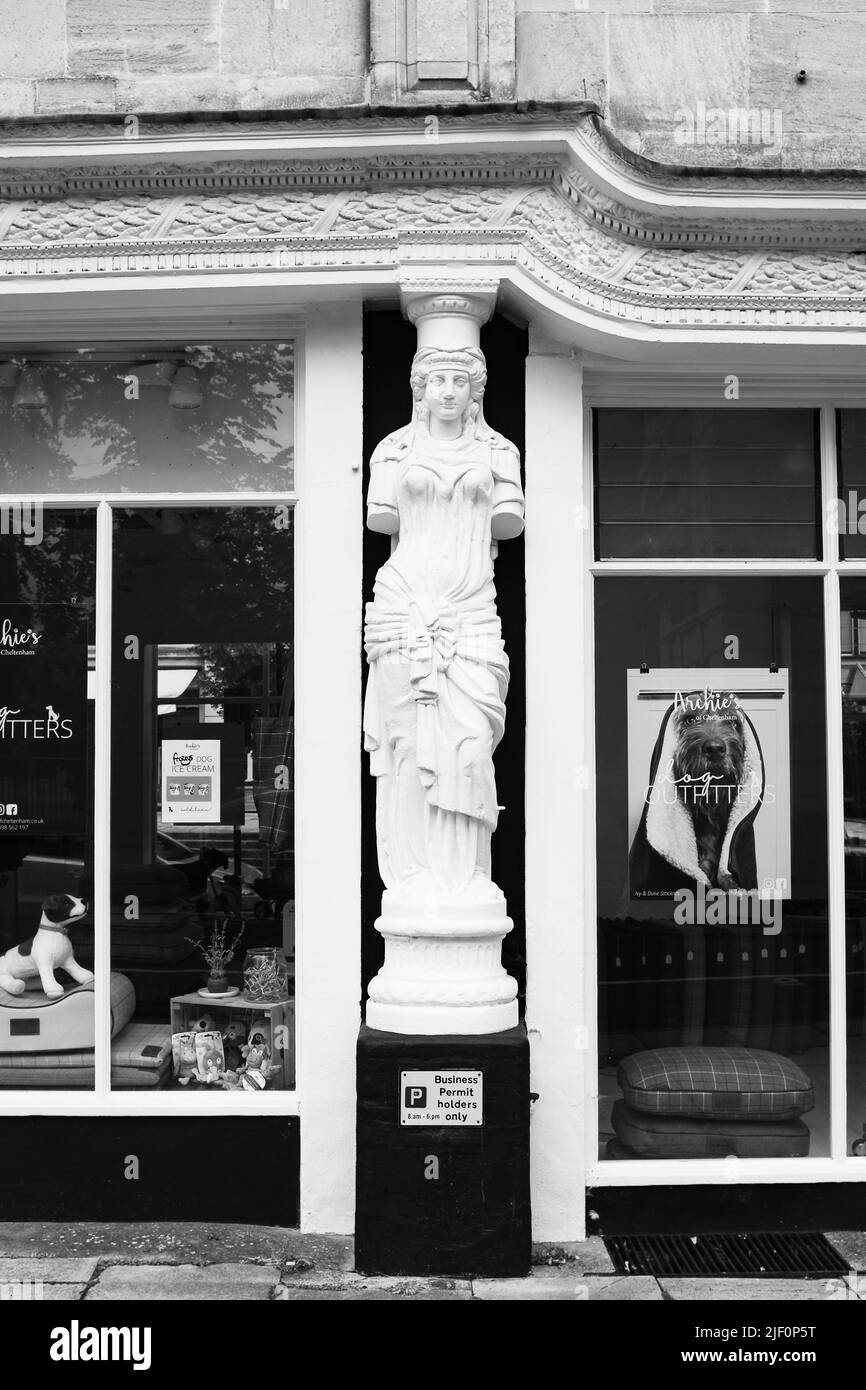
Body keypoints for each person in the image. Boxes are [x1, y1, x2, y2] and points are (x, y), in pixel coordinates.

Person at [364, 345, 524, 902]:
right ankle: (411, 880)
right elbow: (382, 516)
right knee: (407, 748)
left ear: (477, 389)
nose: (449, 390)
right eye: (437, 380)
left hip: (473, 609)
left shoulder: (500, 451)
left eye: (461, 379)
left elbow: (507, 523)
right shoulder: (392, 451)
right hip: (403, 603)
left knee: (472, 743)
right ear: (419, 388)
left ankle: (465, 878)